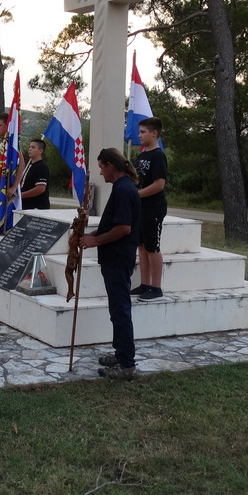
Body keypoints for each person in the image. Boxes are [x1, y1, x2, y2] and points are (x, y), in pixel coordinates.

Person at [80, 148, 141, 380]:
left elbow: (124, 228)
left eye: (101, 167)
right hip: (113, 257)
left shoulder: (125, 190)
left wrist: (95, 240)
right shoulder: (121, 188)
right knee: (116, 310)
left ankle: (127, 364)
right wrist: (90, 234)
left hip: (118, 258)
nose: (100, 172)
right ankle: (120, 351)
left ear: (110, 165)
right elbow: (112, 224)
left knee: (120, 310)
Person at [130, 117, 168, 302]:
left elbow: (159, 184)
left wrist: (137, 195)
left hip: (153, 208)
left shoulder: (158, 156)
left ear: (154, 133)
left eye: (143, 132)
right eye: (139, 132)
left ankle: (156, 287)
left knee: (153, 247)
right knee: (142, 246)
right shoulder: (142, 155)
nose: (140, 135)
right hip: (140, 209)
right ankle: (145, 284)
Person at [18, 138, 50, 210]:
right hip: (26, 206)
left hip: (36, 207)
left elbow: (41, 188)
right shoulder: (30, 165)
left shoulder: (41, 166)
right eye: (29, 147)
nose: (30, 149)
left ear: (40, 151)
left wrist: (21, 195)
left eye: (33, 147)